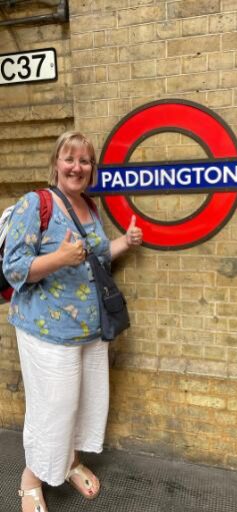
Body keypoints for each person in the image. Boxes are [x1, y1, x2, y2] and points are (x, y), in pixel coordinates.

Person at [6, 131, 143, 512]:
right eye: (69, 159)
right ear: (56, 164)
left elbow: (95, 256)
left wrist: (126, 242)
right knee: (53, 408)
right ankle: (31, 479)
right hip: (48, 333)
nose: (77, 167)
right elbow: (14, 268)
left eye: (85, 161)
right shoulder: (35, 204)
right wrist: (58, 259)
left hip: (91, 330)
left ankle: (69, 462)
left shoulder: (89, 206)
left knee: (83, 403)